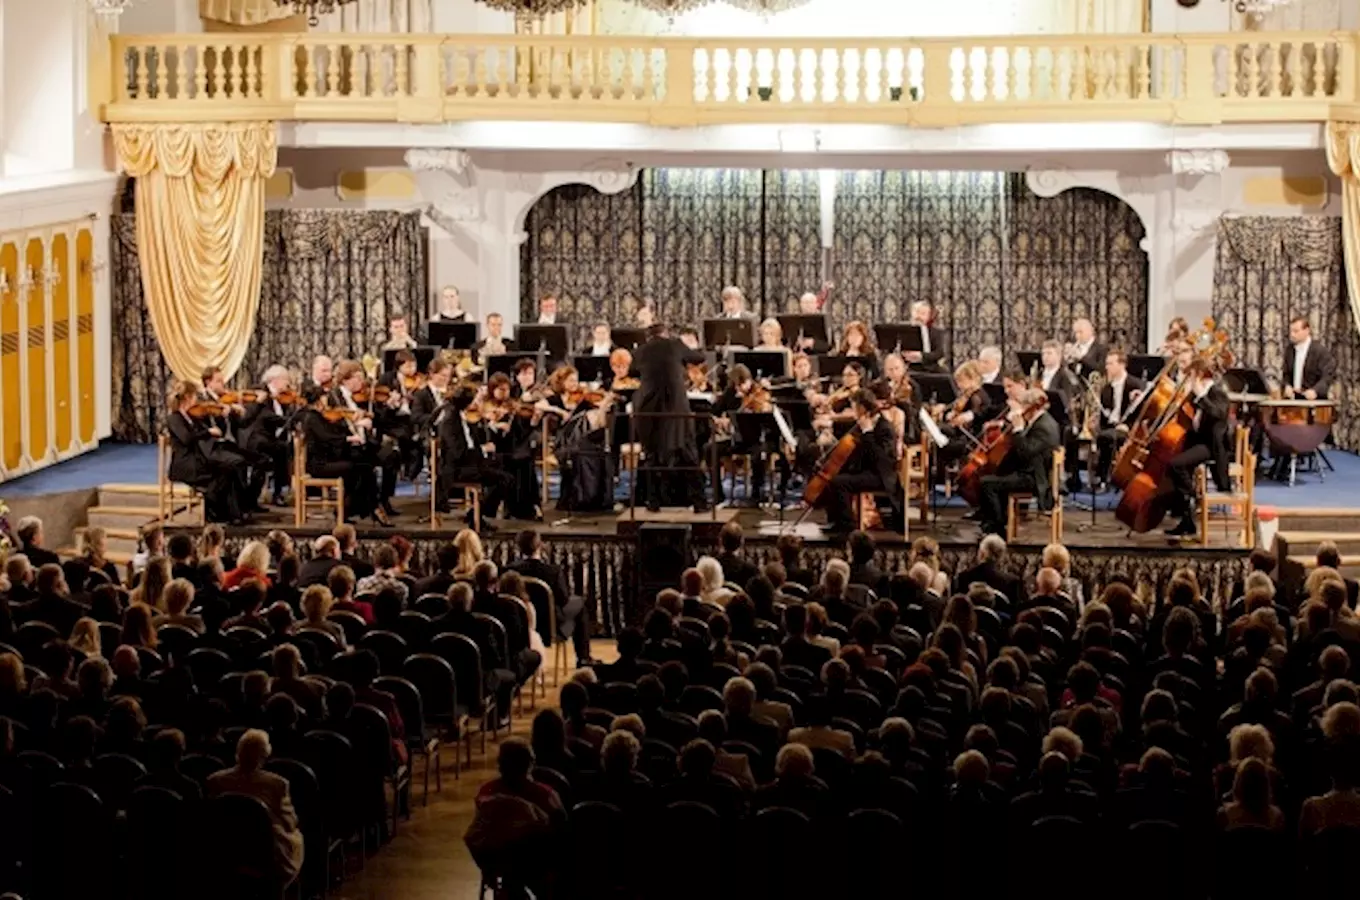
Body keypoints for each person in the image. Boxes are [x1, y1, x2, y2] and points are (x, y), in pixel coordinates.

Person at [206, 729, 304, 887]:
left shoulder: (215, 780)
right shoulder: (278, 784)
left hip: (226, 849)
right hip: (265, 854)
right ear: (265, 754)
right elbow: (290, 822)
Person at [632, 323, 708, 512]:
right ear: (665, 334)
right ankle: (699, 503)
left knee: (652, 456)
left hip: (648, 409)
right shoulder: (675, 344)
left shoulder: (641, 351)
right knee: (688, 453)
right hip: (675, 408)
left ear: (648, 337)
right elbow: (699, 358)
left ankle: (653, 502)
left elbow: (633, 371)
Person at [296, 385, 387, 525]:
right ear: (318, 401)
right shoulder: (311, 418)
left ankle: (358, 508)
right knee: (356, 469)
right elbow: (326, 437)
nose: (327, 403)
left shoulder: (319, 416)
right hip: (319, 465)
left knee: (365, 466)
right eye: (325, 399)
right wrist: (348, 439)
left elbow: (334, 431)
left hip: (327, 460)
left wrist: (354, 426)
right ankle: (360, 508)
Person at [977, 387, 1061, 537]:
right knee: (997, 475)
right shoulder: (1041, 420)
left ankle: (998, 527)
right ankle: (992, 523)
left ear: (1033, 407)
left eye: (1023, 406)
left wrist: (1018, 429)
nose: (1021, 410)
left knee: (987, 484)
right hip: (1031, 472)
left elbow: (1025, 452)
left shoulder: (1044, 427)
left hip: (1035, 478)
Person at [165, 381, 251, 524]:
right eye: (194, 396)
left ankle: (232, 513)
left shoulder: (192, 416)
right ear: (187, 397)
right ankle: (215, 510)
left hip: (198, 459)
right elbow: (186, 438)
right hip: (185, 464)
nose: (197, 400)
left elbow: (208, 427)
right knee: (222, 473)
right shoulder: (174, 418)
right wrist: (207, 432)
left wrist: (220, 417)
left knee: (229, 468)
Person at [815, 388, 899, 536]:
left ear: (862, 407)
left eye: (854, 407)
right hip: (865, 469)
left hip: (880, 475)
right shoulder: (862, 424)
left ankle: (847, 525)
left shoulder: (885, 428)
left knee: (839, 483)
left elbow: (881, 459)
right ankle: (835, 521)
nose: (853, 412)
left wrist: (868, 433)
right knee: (831, 476)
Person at [506, 528, 593, 666]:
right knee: (579, 604)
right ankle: (583, 658)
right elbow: (563, 600)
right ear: (540, 546)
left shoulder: (509, 570)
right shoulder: (552, 571)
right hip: (548, 627)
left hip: (520, 625)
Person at [1163, 359, 1230, 539]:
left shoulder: (1216, 392)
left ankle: (1191, 499)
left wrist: (1201, 396)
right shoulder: (1195, 394)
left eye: (1190, 376)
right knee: (1169, 464)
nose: (1187, 379)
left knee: (1176, 464)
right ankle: (1185, 518)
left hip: (1211, 446)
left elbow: (1219, 413)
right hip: (1196, 441)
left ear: (1198, 376)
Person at [436, 384, 515, 530]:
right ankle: (476, 515)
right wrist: (483, 449)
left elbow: (471, 441)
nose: (479, 403)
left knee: (505, 463)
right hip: (457, 468)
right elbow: (458, 452)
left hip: (469, 462)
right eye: (475, 400)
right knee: (505, 479)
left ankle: (476, 515)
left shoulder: (461, 416)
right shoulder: (450, 421)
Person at [239, 364, 296, 508]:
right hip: (255, 439)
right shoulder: (260, 392)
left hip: (268, 439)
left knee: (284, 450)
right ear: (276, 380)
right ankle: (274, 493)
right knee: (279, 451)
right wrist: (291, 421)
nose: (288, 384)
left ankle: (278, 491)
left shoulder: (281, 398)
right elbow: (267, 416)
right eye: (286, 380)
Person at [1095, 349, 1146, 488]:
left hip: (1130, 428)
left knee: (1106, 438)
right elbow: (1104, 415)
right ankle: (1103, 476)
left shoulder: (1136, 385)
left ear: (1122, 365)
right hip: (1111, 427)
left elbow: (1142, 413)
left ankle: (1104, 477)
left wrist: (1127, 425)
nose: (1107, 367)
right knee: (1104, 436)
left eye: (1111, 364)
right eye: (1107, 364)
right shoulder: (1106, 388)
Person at [1283, 315, 1335, 400]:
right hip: (1293, 400)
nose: (1292, 335)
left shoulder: (1320, 351)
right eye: (1291, 331)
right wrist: (1287, 386)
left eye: (1296, 331)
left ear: (1307, 331)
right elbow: (1286, 375)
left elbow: (1327, 377)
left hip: (1315, 402)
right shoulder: (1289, 350)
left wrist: (1315, 390)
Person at [905, 301, 946, 371]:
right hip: (908, 367)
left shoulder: (936, 332)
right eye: (917, 312)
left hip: (931, 368)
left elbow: (939, 353)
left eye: (923, 314)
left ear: (928, 316)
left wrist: (921, 356)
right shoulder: (904, 331)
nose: (919, 316)